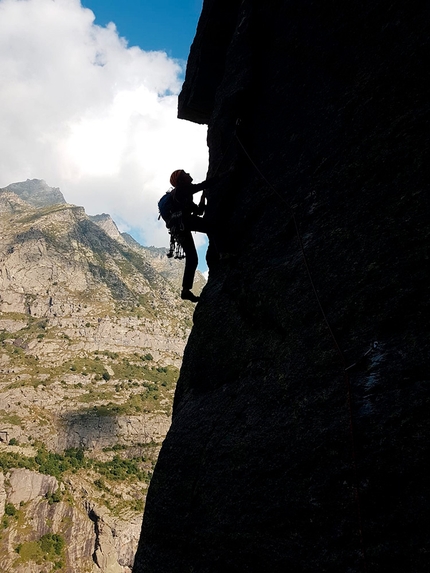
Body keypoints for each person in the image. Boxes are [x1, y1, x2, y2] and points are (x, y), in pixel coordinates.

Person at [166, 169, 219, 303]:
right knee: (212, 227)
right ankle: (224, 252)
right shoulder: (182, 190)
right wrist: (227, 173)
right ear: (180, 180)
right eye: (185, 174)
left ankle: (185, 290)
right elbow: (203, 185)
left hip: (178, 227)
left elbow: (199, 211)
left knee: (193, 257)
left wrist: (203, 197)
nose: (189, 174)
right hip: (184, 222)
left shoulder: (182, 196)